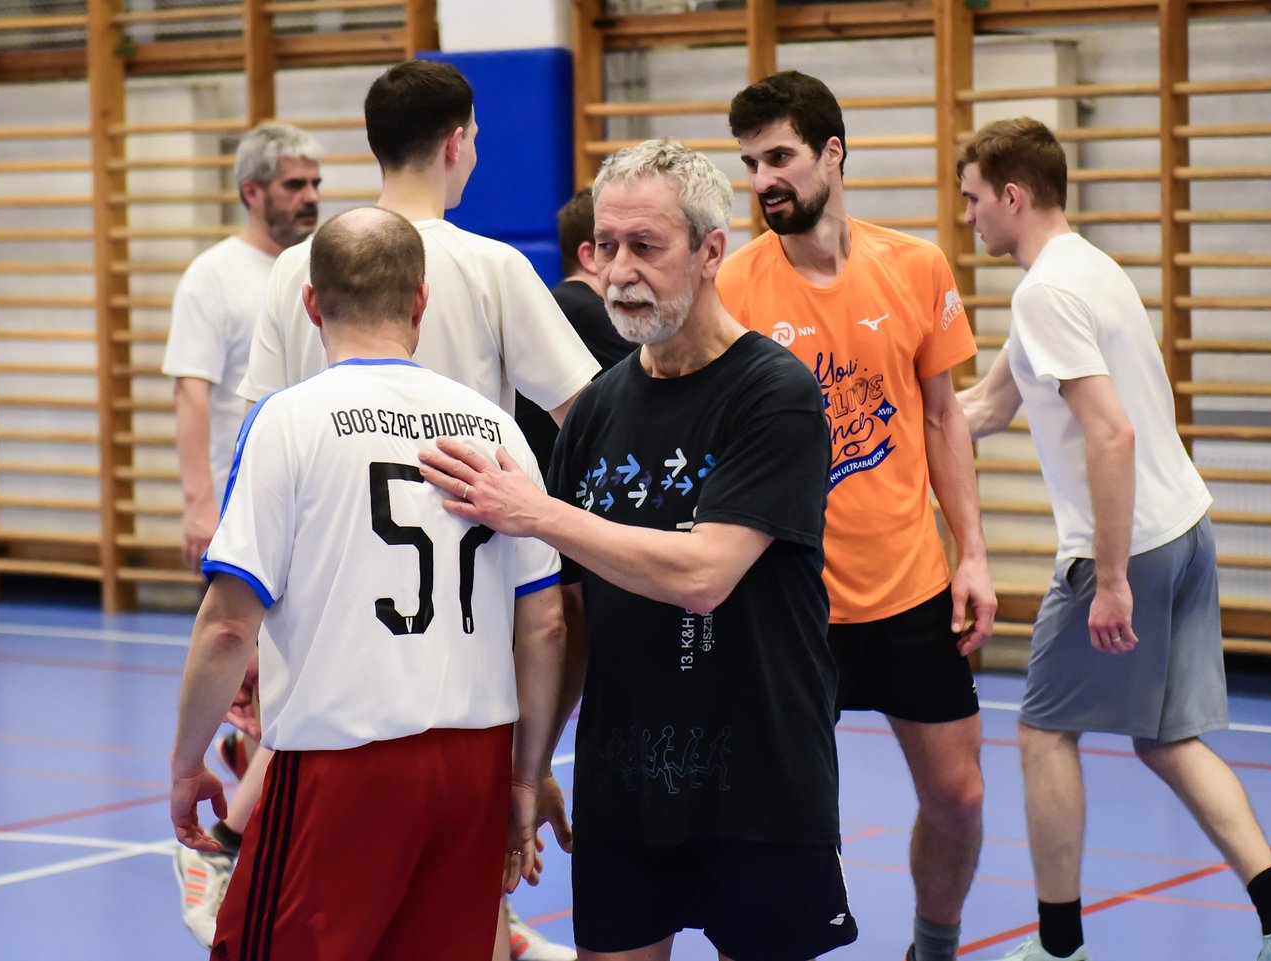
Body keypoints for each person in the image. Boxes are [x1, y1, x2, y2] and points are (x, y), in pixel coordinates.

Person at [417, 138, 857, 961]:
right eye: (606, 246)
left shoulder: (775, 394)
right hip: (625, 789)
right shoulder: (595, 410)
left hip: (761, 785)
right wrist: (529, 765)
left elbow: (704, 574)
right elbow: (570, 619)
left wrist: (540, 512)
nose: (620, 271)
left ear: (710, 251)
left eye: (646, 246)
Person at [954, 117, 1271, 961]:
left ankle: (1059, 947)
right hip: (1188, 529)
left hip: (1127, 549)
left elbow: (1112, 434)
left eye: (974, 200)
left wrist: (1111, 579)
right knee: (1166, 740)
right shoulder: (1087, 269)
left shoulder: (1043, 293)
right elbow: (983, 408)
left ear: (1012, 196)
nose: (968, 218)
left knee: (1042, 731)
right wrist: (876, 420)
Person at [233, 59, 596, 961]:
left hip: (331, 643)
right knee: (451, 904)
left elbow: (254, 443)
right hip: (465, 638)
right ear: (459, 142)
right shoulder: (495, 266)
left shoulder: (299, 267)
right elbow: (591, 420)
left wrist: (242, 633)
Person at [169, 206, 567, 961]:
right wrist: (523, 778)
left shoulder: (289, 420)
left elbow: (227, 625)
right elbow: (544, 624)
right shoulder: (497, 428)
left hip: (341, 766)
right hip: (473, 765)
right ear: (421, 301)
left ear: (311, 304)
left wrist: (187, 762)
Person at [716, 71, 996, 961]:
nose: (764, 179)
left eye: (780, 157)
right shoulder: (733, 288)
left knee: (960, 799)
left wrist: (973, 552)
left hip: (912, 588)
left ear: (832, 153)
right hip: (791, 604)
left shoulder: (916, 267)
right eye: (751, 163)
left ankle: (933, 948)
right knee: (786, 818)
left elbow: (944, 417)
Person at [160, 121, 322, 947]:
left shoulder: (317, 268)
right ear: (252, 191)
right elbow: (192, 392)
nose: (310, 197)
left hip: (310, 514)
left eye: (315, 182)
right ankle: (220, 854)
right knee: (264, 693)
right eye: (294, 184)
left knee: (293, 692)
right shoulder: (214, 276)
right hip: (243, 520)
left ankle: (248, 826)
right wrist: (200, 502)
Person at [514, 188, 634, 476]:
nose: (632, 266)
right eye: (613, 247)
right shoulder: (582, 311)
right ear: (590, 256)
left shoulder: (560, 304)